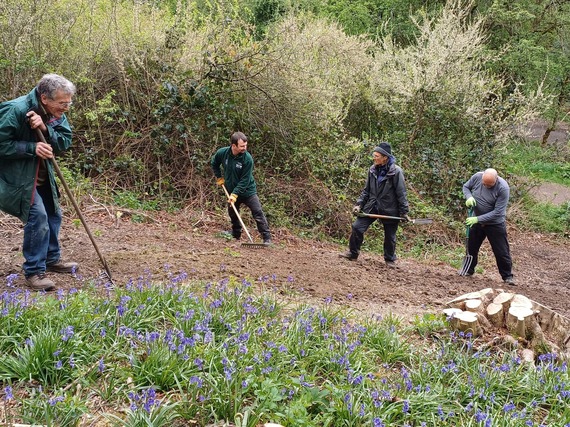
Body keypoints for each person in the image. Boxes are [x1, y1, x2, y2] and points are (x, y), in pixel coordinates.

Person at [0, 74, 78, 291]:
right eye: (63, 103)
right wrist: (31, 148)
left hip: (41, 175)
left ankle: (51, 259)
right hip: (18, 179)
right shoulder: (14, 110)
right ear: (45, 98)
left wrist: (44, 128)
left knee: (53, 213)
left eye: (69, 102)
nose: (66, 108)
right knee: (38, 217)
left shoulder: (54, 112)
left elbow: (64, 141)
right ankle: (34, 271)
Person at [339, 142, 410, 267]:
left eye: (376, 156)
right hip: (372, 206)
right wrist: (359, 204)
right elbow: (366, 190)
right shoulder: (372, 170)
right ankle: (353, 253)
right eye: (374, 155)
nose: (374, 158)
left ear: (385, 157)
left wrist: (404, 212)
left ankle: (390, 260)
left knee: (390, 236)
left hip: (389, 208)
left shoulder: (396, 172)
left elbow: (401, 193)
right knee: (357, 227)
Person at [211, 131, 272, 245]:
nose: (245, 148)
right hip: (231, 190)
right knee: (233, 213)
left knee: (257, 212)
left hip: (248, 191)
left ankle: (267, 238)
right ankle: (236, 234)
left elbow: (245, 180)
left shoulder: (247, 159)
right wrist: (219, 177)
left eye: (246, 145)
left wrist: (235, 194)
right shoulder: (223, 153)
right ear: (233, 145)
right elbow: (214, 163)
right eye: (242, 146)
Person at [462, 168, 514, 285]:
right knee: (471, 248)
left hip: (495, 223)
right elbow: (466, 187)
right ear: (482, 178)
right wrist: (469, 197)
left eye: (489, 185)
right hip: (476, 221)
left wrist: (478, 219)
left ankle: (507, 276)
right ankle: (468, 270)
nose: (486, 186)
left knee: (501, 251)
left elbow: (498, 212)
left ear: (496, 180)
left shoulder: (503, 188)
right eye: (484, 184)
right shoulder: (476, 177)